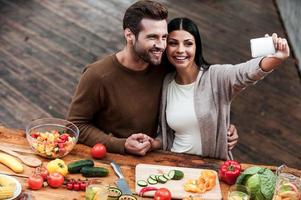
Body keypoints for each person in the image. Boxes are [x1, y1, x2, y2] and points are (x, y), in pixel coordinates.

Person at [67, 1, 238, 156]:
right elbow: (75, 125)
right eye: (152, 37)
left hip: (154, 157)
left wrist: (223, 126)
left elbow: (198, 90)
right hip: (110, 160)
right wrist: (121, 144)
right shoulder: (97, 75)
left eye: (164, 37)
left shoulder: (165, 66)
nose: (162, 45)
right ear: (129, 35)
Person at [152, 17, 290, 160]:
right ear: (165, 47)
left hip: (212, 171)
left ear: (196, 47)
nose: (180, 50)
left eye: (188, 44)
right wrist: (154, 143)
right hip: (176, 166)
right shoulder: (167, 82)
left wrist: (277, 58)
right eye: (173, 43)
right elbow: (167, 134)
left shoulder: (216, 76)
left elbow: (245, 73)